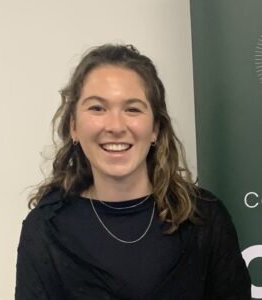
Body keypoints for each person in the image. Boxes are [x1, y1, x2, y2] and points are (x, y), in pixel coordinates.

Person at [15, 44, 251, 300]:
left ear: (155, 129)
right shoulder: (46, 229)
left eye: (132, 109)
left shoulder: (204, 218)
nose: (115, 126)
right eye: (97, 108)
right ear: (73, 126)